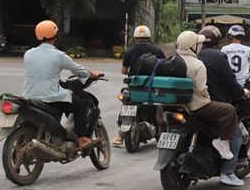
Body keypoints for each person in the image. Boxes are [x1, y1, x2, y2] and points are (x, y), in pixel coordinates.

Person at [175, 30, 244, 187]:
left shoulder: (174, 59)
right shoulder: (204, 61)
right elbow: (205, 87)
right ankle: (228, 171)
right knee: (232, 118)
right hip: (199, 105)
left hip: (178, 105)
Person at [22, 20, 103, 149]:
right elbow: (79, 70)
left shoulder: (28, 54)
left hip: (29, 96)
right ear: (55, 36)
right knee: (80, 106)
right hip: (50, 96)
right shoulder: (59, 55)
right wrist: (93, 74)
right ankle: (82, 138)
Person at [112, 25, 165, 147]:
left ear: (135, 38)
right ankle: (161, 132)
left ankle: (119, 135)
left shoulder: (130, 51)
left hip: (134, 88)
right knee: (159, 109)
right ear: (149, 37)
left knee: (126, 104)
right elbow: (164, 68)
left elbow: (123, 71)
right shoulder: (157, 51)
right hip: (152, 88)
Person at [221, 25, 250, 128]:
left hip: (227, 83)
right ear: (242, 37)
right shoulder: (247, 49)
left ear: (230, 36)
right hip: (243, 84)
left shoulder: (224, 49)